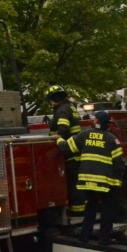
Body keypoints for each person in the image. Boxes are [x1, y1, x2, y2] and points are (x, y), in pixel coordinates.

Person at [63, 110, 125, 245]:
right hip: (105, 183)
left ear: (96, 121)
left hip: (87, 181)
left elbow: (66, 147)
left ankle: (84, 236)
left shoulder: (84, 135)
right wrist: (118, 180)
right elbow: (119, 163)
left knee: (91, 207)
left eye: (94, 118)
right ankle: (104, 238)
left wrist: (58, 139)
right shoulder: (112, 139)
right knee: (107, 209)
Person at [46, 86, 84, 221]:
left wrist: (57, 136)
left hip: (70, 151)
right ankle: (80, 209)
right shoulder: (70, 107)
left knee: (73, 182)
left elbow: (63, 129)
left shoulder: (62, 110)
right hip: (76, 150)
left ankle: (77, 211)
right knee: (77, 181)